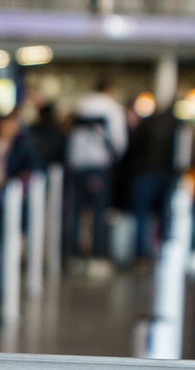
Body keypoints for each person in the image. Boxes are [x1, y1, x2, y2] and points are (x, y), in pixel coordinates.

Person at [66, 79, 127, 275]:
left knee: (76, 212)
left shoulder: (81, 105)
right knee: (99, 213)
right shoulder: (112, 108)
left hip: (77, 166)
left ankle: (73, 256)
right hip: (99, 165)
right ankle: (96, 257)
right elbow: (119, 140)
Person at [124, 102, 192, 263]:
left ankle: (141, 255)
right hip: (167, 174)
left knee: (142, 215)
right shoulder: (178, 125)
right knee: (165, 215)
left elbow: (133, 146)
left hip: (145, 172)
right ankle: (163, 252)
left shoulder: (148, 123)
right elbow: (183, 155)